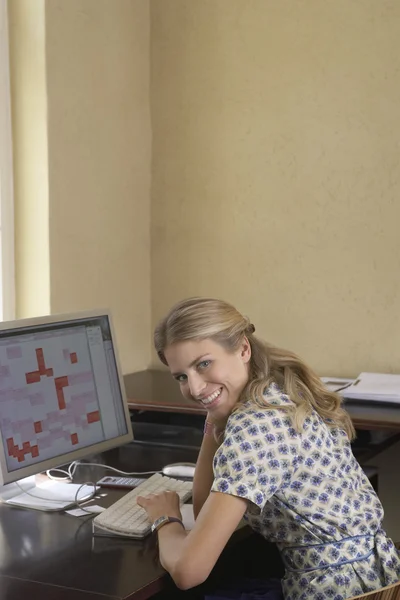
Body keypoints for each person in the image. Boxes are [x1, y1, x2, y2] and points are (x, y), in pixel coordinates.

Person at [137, 297, 400, 600]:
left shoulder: (253, 429)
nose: (194, 388)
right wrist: (215, 414)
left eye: (203, 364)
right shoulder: (277, 390)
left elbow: (188, 571)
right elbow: (204, 511)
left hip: (330, 592)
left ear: (243, 349)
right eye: (182, 376)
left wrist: (165, 517)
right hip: (375, 579)